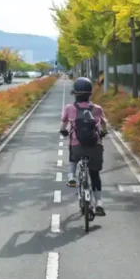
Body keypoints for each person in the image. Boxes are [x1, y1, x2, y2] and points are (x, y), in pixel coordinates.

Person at [59, 76, 108, 216]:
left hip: (77, 146)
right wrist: (104, 133)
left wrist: (63, 131)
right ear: (90, 94)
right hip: (95, 147)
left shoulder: (69, 108)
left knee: (73, 157)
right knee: (95, 174)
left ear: (74, 94)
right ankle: (99, 203)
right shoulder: (97, 109)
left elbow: (63, 124)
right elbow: (104, 125)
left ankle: (71, 177)